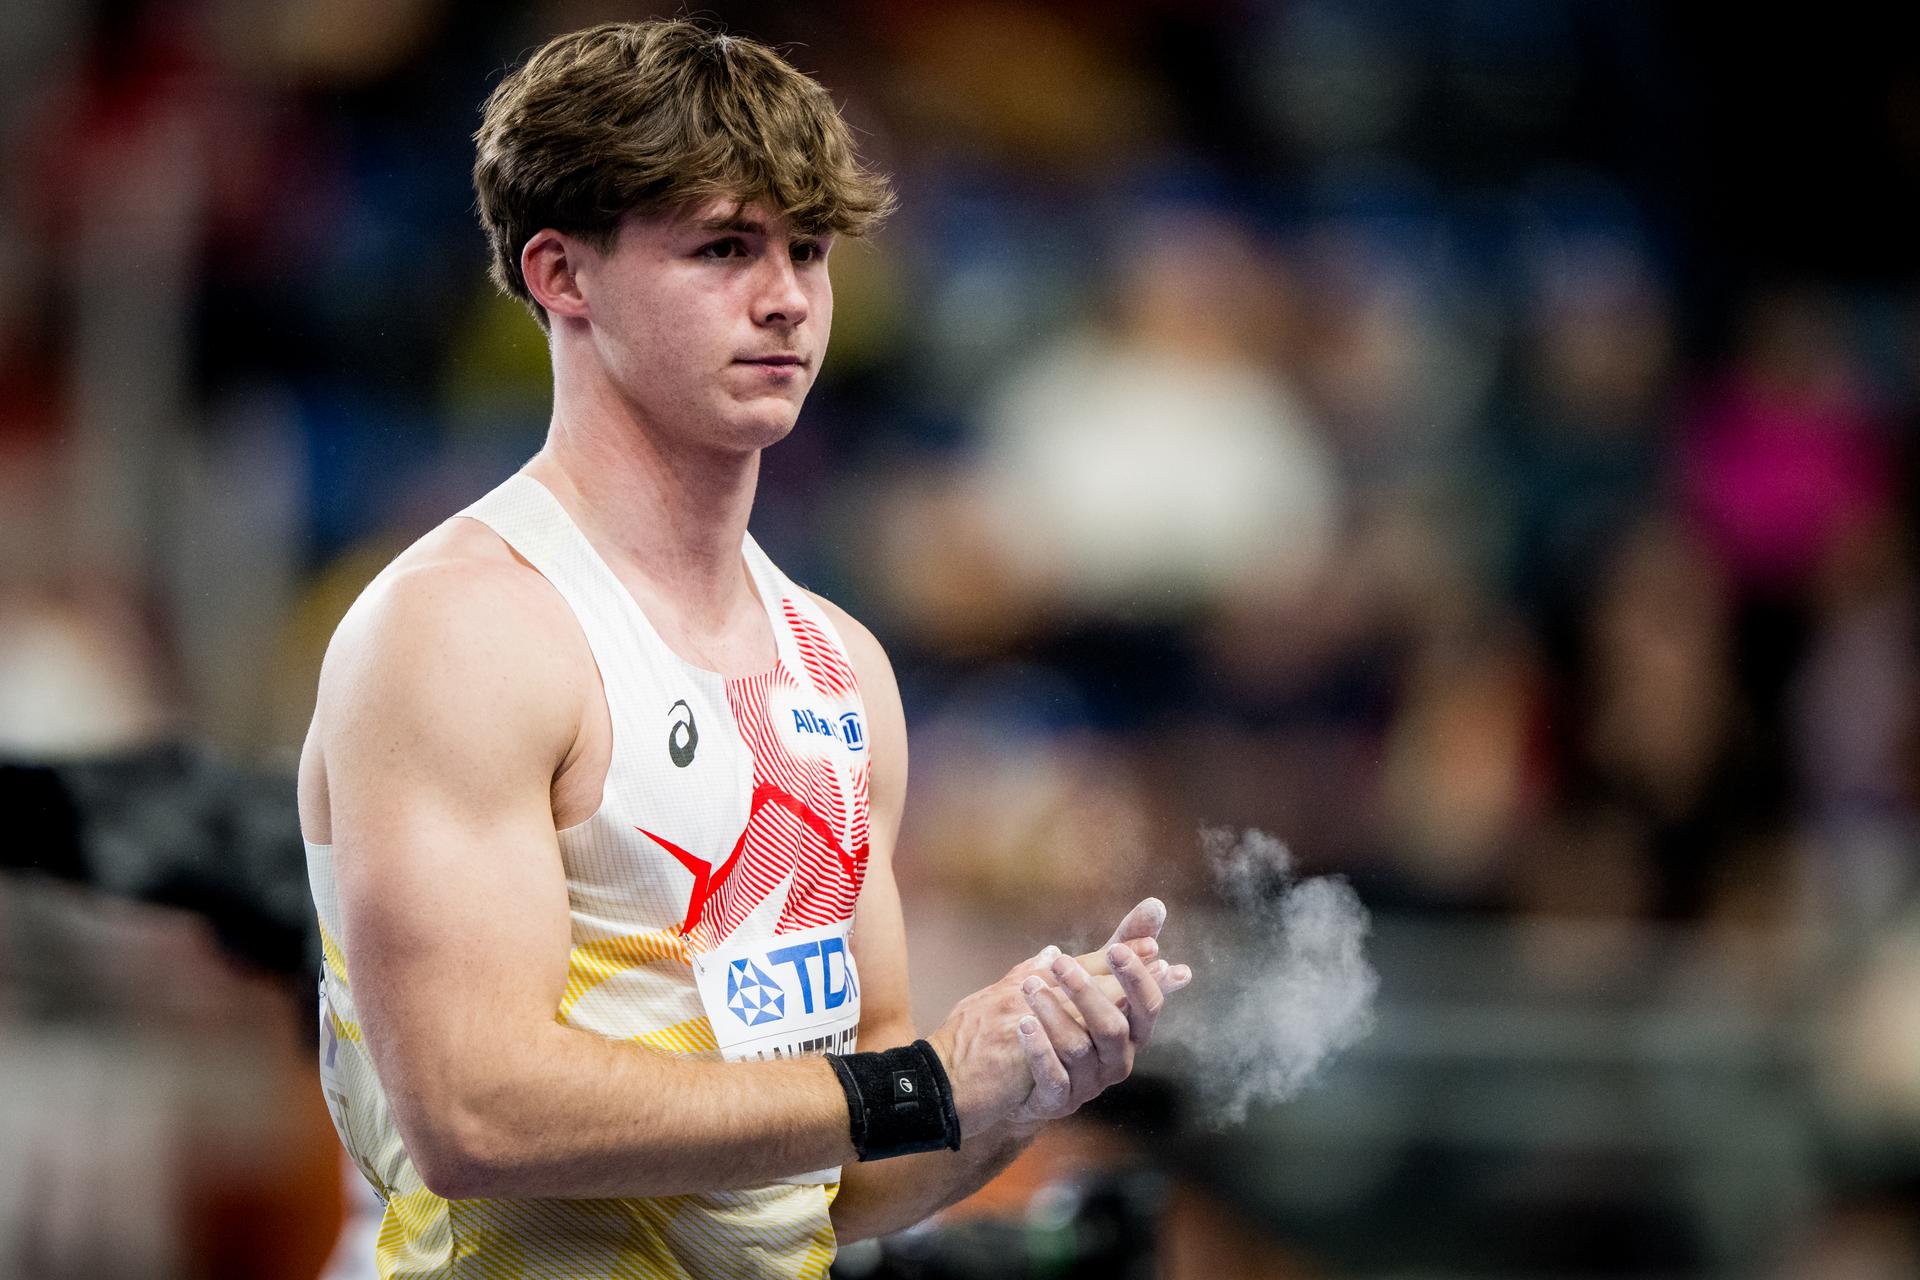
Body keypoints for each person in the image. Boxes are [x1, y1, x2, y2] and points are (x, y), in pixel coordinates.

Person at [297, 19, 1193, 1278]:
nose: (787, 299)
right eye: (724, 247)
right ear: (562, 275)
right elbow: (473, 1109)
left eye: (808, 251)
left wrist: (1010, 1087)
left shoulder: (842, 669)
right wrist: (913, 1082)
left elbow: (846, 1181)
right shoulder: (464, 629)